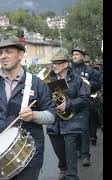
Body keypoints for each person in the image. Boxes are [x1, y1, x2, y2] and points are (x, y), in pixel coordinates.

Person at [0, 35, 56, 180]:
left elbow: (51, 115)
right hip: (0, 153)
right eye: (0, 53)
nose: (3, 56)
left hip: (29, 151)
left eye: (8, 51)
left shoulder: (36, 83)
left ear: (20, 55)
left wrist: (34, 115)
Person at [46, 50, 90, 180]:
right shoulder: (49, 79)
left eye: (57, 63)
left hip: (72, 120)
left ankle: (72, 176)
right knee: (59, 150)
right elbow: (45, 98)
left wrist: (69, 103)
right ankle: (63, 168)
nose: (54, 66)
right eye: (53, 63)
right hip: (54, 121)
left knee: (70, 151)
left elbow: (85, 98)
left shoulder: (77, 80)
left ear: (66, 64)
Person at [71, 47, 102, 166]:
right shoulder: (69, 70)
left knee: (84, 130)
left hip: (85, 104)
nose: (74, 56)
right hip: (72, 104)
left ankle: (85, 155)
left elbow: (98, 84)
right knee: (73, 130)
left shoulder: (90, 71)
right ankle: (78, 150)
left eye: (77, 54)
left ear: (83, 57)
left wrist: (87, 83)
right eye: (73, 54)